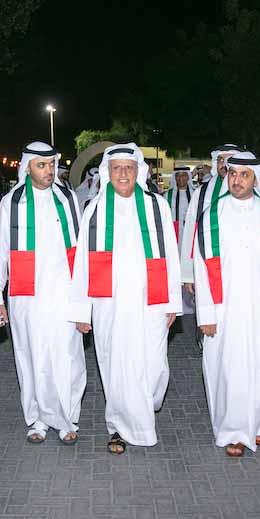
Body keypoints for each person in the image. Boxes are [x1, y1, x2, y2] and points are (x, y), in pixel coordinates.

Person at [68, 143, 181, 455]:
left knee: (155, 367)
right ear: (107, 172)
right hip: (109, 304)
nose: (122, 174)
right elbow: (82, 262)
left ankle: (143, 405)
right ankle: (118, 427)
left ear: (138, 172)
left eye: (128, 168)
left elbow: (171, 254)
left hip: (151, 300)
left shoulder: (158, 206)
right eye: (116, 168)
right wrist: (81, 309)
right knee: (116, 365)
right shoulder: (94, 209)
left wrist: (172, 300)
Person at [194, 152, 260, 457]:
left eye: (244, 175)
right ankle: (234, 430)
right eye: (233, 174)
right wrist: (206, 313)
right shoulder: (212, 214)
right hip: (224, 307)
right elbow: (201, 266)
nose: (237, 180)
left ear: (256, 179)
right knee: (230, 368)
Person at [0, 142, 86, 445]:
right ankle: (38, 419)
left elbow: (81, 250)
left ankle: (67, 418)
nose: (48, 171)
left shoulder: (68, 198)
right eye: (41, 165)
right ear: (27, 167)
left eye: (51, 164)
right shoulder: (12, 202)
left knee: (67, 356)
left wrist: (85, 298)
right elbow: (0, 252)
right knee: (31, 356)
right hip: (26, 295)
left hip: (65, 292)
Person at [180, 144, 241, 295]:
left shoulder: (249, 193)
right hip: (207, 265)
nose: (223, 164)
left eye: (228, 160)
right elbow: (190, 232)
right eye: (220, 160)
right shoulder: (202, 193)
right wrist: (188, 274)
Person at [166, 166, 195, 321]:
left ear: (188, 177)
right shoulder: (167, 195)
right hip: (174, 236)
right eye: (178, 176)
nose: (181, 179)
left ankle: (191, 305)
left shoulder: (195, 194)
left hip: (190, 237)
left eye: (184, 175)